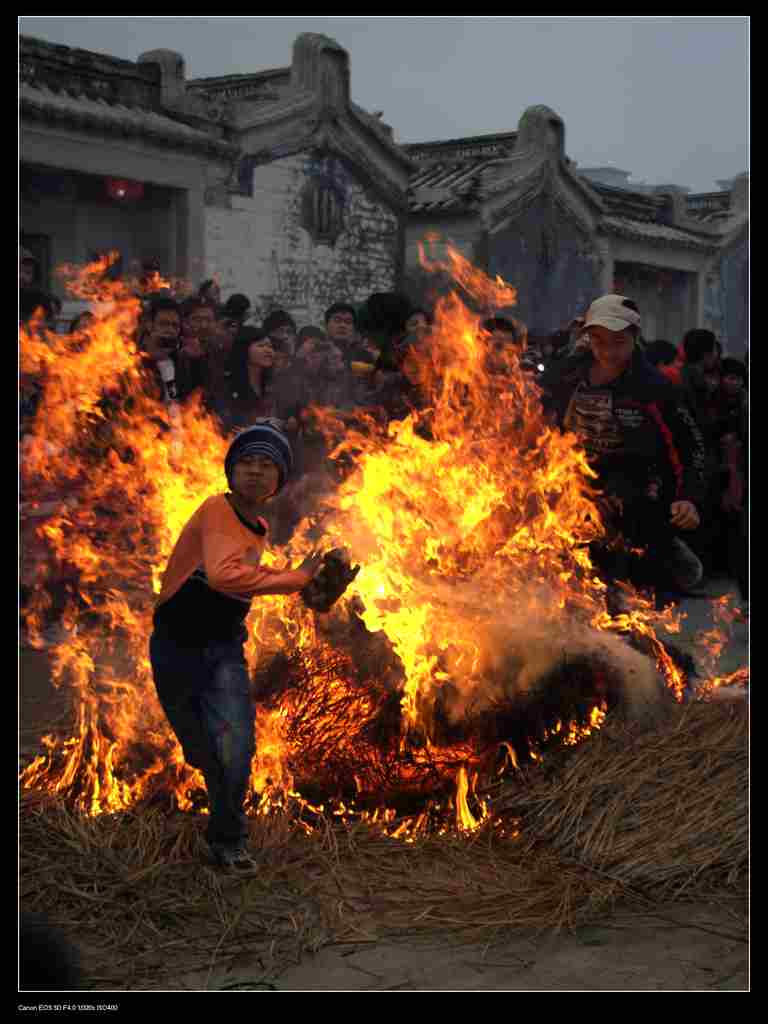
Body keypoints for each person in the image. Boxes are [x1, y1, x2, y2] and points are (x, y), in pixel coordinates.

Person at [149, 422, 323, 869]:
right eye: (246, 463)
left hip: (223, 651)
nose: (255, 472)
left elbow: (235, 582)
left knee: (237, 749)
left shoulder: (258, 527)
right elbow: (226, 575)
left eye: (266, 466)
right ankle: (211, 785)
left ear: (279, 480)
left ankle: (228, 840)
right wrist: (295, 579)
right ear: (230, 471)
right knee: (202, 750)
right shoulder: (215, 508)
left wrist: (312, 584)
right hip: (175, 646)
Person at [539, 294, 708, 604]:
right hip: (572, 487)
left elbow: (689, 446)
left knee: (626, 593)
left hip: (634, 495)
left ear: (634, 337)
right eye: (598, 340)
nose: (608, 351)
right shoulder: (565, 374)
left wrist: (688, 499)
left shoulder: (653, 388)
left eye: (618, 342)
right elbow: (541, 425)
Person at [225, 328, 278, 429]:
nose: (268, 350)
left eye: (270, 346)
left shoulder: (273, 383)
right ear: (244, 349)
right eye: (261, 345)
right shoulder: (229, 384)